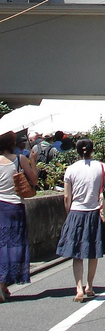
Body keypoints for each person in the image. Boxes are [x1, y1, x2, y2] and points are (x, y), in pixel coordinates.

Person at [55, 138, 105, 302]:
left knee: (77, 253)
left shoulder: (71, 169)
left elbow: (66, 196)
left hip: (76, 212)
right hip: (94, 212)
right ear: (92, 150)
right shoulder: (102, 167)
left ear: (77, 151)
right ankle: (90, 286)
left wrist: (68, 213)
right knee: (93, 251)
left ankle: (78, 288)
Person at [0, 129, 38, 302]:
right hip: (14, 207)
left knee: (1, 244)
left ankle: (2, 284)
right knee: (14, 245)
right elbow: (35, 181)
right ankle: (3, 283)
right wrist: (33, 161)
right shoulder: (19, 160)